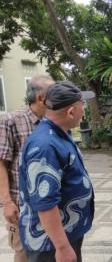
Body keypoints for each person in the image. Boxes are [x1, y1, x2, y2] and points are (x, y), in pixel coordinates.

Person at [18, 81, 95, 262]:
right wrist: (62, 247)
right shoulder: (45, 146)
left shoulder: (60, 134)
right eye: (81, 104)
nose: (84, 109)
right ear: (70, 112)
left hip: (66, 231)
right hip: (49, 244)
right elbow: (45, 203)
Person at [0, 74, 54, 262]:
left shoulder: (53, 121)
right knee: (24, 253)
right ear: (40, 98)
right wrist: (7, 203)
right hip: (22, 207)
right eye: (53, 93)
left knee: (49, 252)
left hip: (49, 204)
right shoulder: (11, 121)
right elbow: (1, 163)